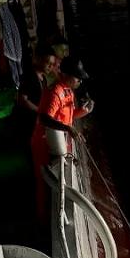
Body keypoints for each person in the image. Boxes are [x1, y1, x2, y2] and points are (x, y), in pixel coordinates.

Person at [30, 56, 94, 224]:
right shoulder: (55, 91)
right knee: (43, 181)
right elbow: (44, 118)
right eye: (76, 76)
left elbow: (68, 117)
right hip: (43, 142)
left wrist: (84, 111)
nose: (79, 80)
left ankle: (50, 216)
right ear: (65, 74)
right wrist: (68, 128)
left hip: (56, 139)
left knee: (54, 181)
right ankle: (41, 220)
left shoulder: (68, 91)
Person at [17, 46, 57, 137]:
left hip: (35, 120)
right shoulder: (29, 75)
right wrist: (40, 111)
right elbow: (23, 100)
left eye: (52, 64)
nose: (50, 67)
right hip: (25, 121)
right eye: (48, 63)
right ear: (38, 60)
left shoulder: (43, 79)